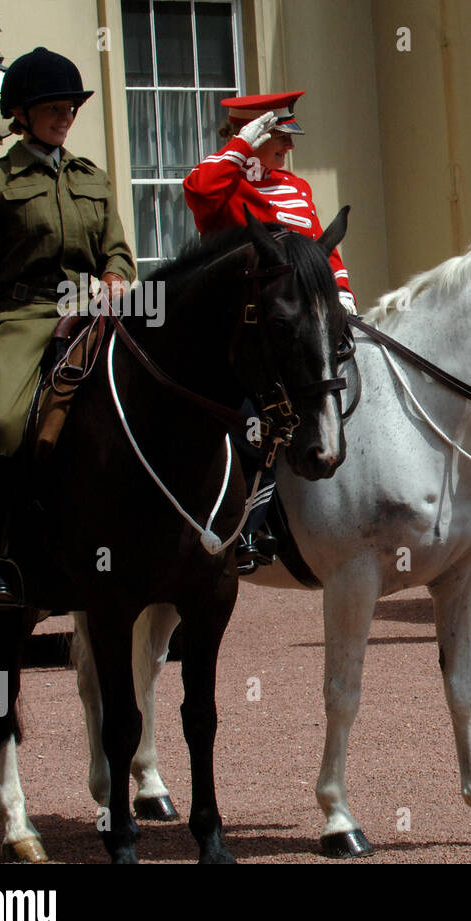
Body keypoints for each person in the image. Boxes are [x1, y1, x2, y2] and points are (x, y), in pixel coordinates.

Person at [0, 47, 135, 607]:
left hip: (91, 309)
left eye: (71, 108)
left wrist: (114, 273)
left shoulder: (93, 178)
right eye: (54, 107)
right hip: (24, 316)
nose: (65, 116)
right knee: (8, 424)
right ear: (24, 115)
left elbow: (119, 250)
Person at [183, 90, 355, 571]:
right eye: (277, 140)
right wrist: (237, 149)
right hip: (242, 331)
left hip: (297, 326)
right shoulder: (223, 184)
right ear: (253, 137)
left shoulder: (297, 188)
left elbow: (318, 249)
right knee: (246, 423)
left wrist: (339, 291)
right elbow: (196, 190)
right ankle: (240, 524)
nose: (287, 150)